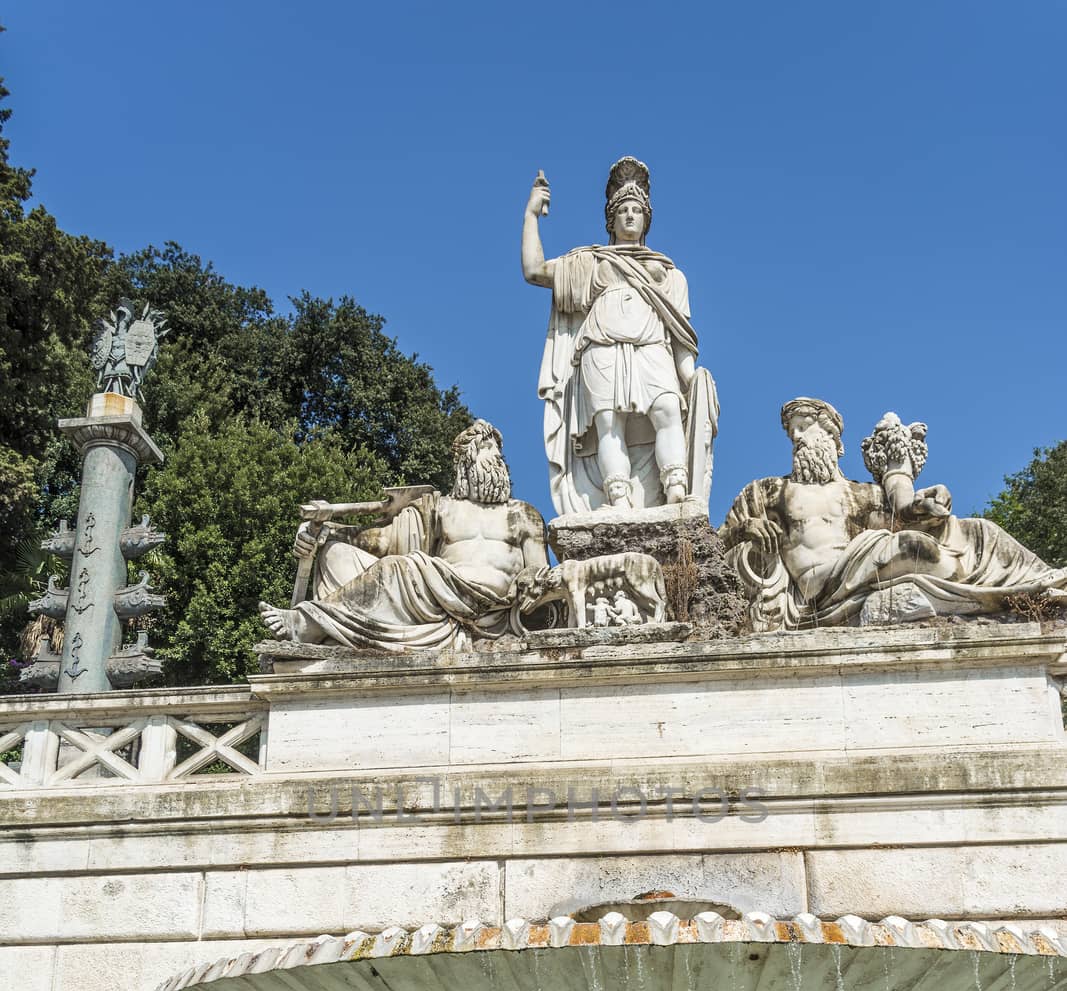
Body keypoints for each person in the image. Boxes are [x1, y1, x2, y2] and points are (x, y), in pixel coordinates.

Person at [721, 398, 1067, 630]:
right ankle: (1008, 589)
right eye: (791, 430)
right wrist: (746, 528)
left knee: (978, 530)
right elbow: (717, 541)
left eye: (803, 426)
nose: (795, 436)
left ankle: (1041, 584)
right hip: (817, 589)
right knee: (914, 548)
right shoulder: (767, 491)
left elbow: (906, 516)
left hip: (860, 571)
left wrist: (928, 501)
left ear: (830, 434)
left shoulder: (861, 494)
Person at [523, 158, 717, 517]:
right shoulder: (591, 263)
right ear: (611, 220)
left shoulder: (671, 274)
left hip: (652, 346)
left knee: (668, 409)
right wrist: (531, 216)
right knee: (609, 423)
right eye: (623, 210)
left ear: (646, 219)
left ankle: (675, 490)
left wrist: (692, 378)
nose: (630, 216)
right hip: (601, 348)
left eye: (636, 210)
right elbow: (535, 271)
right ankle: (618, 500)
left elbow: (679, 337)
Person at [259, 421, 549, 653]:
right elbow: (382, 541)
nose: (494, 457)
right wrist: (324, 532)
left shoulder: (524, 514)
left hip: (493, 604)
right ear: (463, 465)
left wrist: (532, 580)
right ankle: (332, 625)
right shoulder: (440, 509)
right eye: (483, 449)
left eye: (496, 450)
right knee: (337, 553)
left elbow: (539, 573)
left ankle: (308, 621)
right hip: (435, 596)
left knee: (400, 567)